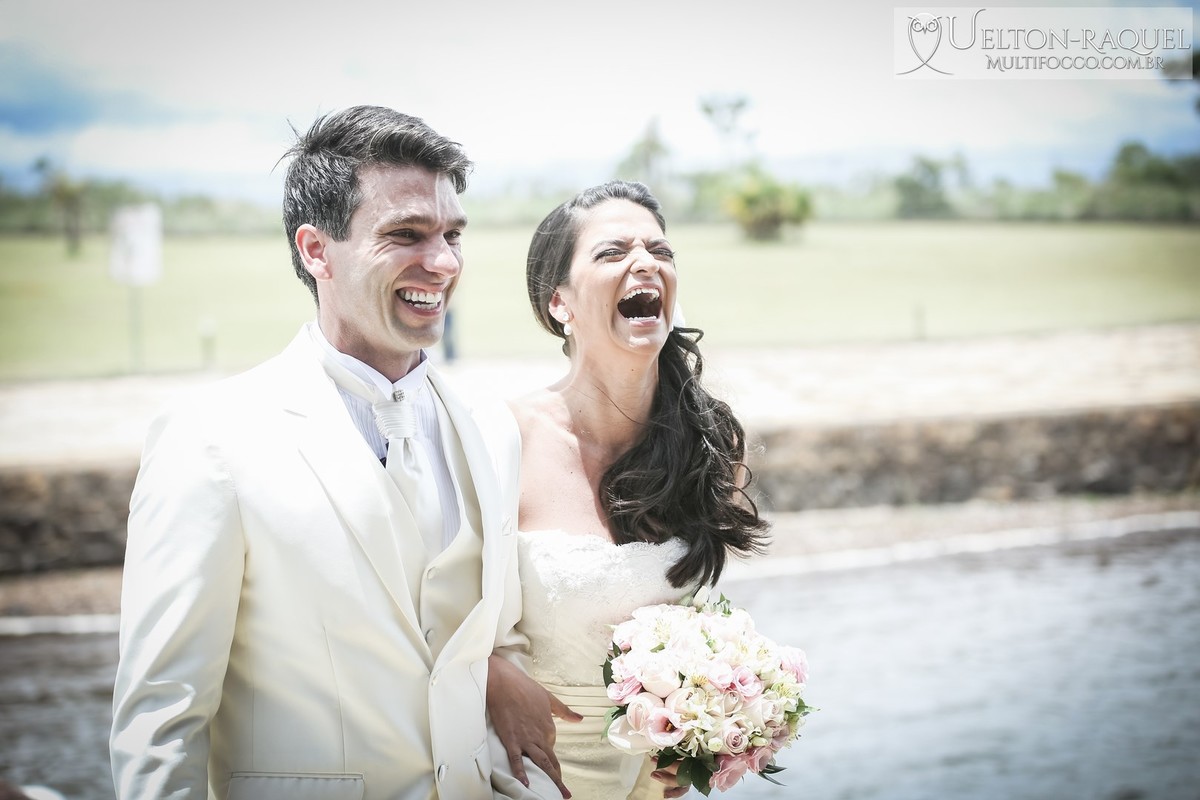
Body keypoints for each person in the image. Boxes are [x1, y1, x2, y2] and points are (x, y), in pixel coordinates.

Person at [110, 106, 569, 800]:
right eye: (406, 235)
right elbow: (161, 719)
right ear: (315, 250)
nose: (443, 262)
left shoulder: (488, 427)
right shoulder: (210, 439)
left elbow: (476, 643)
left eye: (452, 235)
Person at [509, 181, 770, 799]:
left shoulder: (710, 447)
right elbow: (444, 616)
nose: (646, 262)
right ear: (559, 304)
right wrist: (491, 671)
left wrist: (703, 734)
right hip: (524, 773)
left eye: (660, 250)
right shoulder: (504, 439)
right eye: (612, 251)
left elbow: (697, 622)